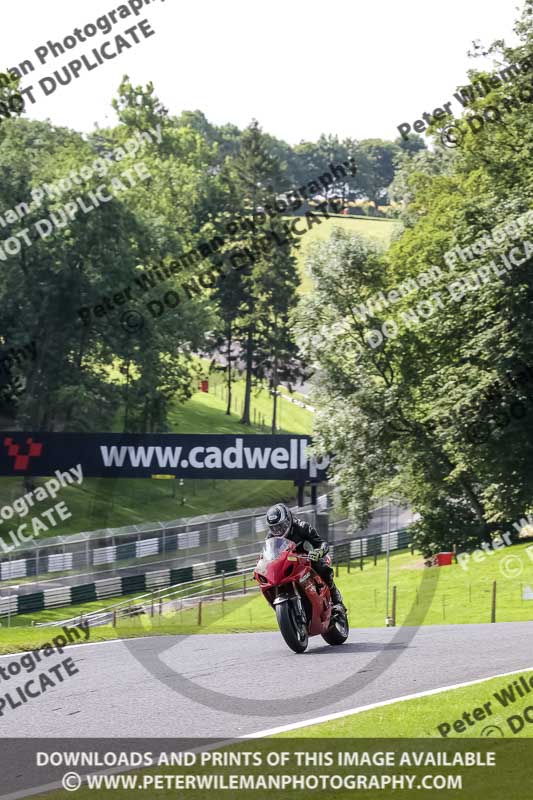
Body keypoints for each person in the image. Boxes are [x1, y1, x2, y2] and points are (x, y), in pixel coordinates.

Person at [265, 503, 345, 611]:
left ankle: (337, 600)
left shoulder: (302, 527)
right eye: (274, 528)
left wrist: (318, 552)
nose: (278, 531)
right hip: (287, 564)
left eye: (281, 526)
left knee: (321, 566)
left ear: (288, 520)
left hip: (307, 559)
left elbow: (322, 543)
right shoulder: (270, 537)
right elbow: (268, 555)